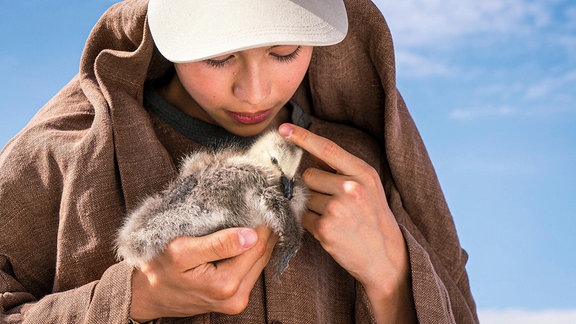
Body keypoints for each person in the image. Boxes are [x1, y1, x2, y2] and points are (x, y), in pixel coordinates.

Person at [0, 0, 479, 323]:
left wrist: (392, 276)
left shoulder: (361, 170)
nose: (255, 92)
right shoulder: (61, 155)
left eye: (284, 52)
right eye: (218, 57)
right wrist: (134, 298)